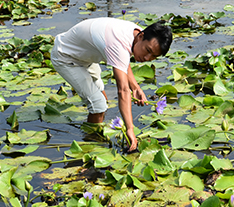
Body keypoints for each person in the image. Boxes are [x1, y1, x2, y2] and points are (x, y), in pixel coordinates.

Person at [50, 18, 173, 152]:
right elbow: (123, 90)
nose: (147, 58)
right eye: (148, 50)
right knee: (98, 105)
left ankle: (95, 135)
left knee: (103, 99)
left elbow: (123, 60)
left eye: (153, 56)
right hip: (65, 56)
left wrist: (136, 88)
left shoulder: (135, 33)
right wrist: (130, 128)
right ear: (141, 36)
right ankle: (91, 146)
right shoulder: (117, 42)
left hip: (86, 56)